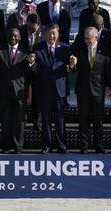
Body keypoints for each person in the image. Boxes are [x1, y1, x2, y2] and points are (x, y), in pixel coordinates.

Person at [0, 27, 35, 153]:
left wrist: (30, 63)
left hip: (19, 91)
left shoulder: (25, 51)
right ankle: (6, 145)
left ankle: (18, 146)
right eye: (11, 36)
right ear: (7, 36)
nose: (13, 38)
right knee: (5, 119)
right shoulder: (0, 51)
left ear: (20, 37)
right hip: (4, 90)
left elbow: (30, 73)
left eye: (15, 36)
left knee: (19, 120)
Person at [32, 23, 71, 154]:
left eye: (54, 33)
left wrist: (72, 65)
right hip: (44, 89)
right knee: (46, 119)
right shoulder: (38, 48)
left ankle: (62, 145)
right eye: (49, 33)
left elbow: (71, 68)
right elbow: (33, 68)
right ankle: (47, 145)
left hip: (59, 88)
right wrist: (31, 62)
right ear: (44, 34)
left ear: (58, 34)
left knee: (60, 119)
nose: (51, 36)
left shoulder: (65, 48)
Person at [71, 27, 110, 153]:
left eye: (89, 38)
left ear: (96, 38)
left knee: (98, 119)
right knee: (83, 118)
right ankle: (84, 144)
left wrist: (109, 86)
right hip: (83, 89)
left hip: (98, 89)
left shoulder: (104, 50)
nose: (87, 40)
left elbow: (108, 71)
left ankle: (98, 144)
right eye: (85, 38)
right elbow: (73, 69)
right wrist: (73, 64)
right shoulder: (79, 49)